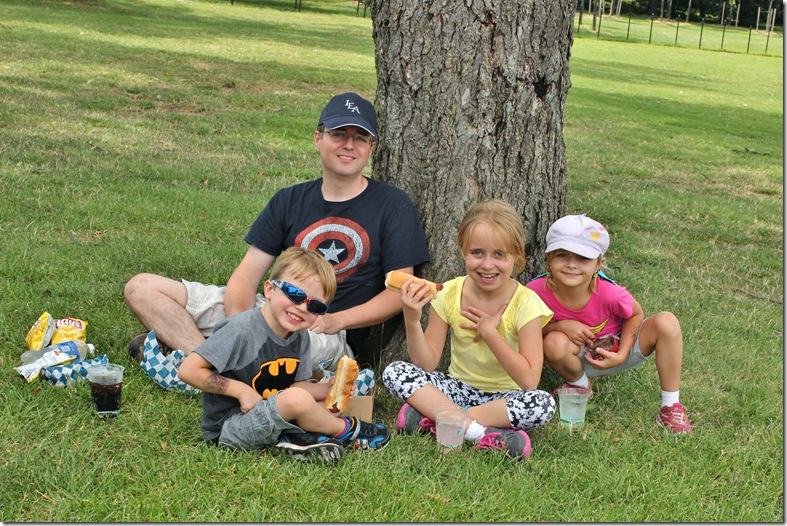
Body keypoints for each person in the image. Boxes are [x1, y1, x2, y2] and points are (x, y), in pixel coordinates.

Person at [124, 91, 430, 390]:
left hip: (321, 328)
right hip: (270, 307)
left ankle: (204, 365)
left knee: (286, 340)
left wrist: (337, 320)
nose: (349, 145)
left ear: (371, 147)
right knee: (142, 288)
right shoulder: (289, 199)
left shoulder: (392, 205)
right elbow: (246, 276)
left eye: (360, 138)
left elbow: (398, 293)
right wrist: (242, 325)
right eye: (339, 134)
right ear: (318, 138)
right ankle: (205, 366)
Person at [177, 247, 391, 461]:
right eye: (295, 294)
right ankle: (345, 430)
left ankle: (298, 440)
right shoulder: (241, 329)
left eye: (315, 305)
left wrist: (326, 388)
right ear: (269, 290)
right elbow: (188, 370)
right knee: (298, 401)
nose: (302, 308)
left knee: (326, 406)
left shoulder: (300, 336)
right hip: (232, 427)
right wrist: (241, 391)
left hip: (274, 411)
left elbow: (295, 386)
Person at [382, 199, 556, 460]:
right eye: (477, 253)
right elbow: (426, 363)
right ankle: (478, 432)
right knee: (395, 372)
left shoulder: (527, 303)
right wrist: (412, 318)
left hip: (504, 398)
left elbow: (529, 381)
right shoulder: (448, 293)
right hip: (456, 389)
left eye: (499, 254)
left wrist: (490, 333)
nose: (487, 264)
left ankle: (434, 417)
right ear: (462, 250)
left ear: (517, 255)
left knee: (542, 404)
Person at [525, 214, 692, 434]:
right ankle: (580, 385)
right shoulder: (534, 291)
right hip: (572, 357)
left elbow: (635, 314)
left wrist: (622, 354)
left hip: (615, 351)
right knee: (554, 341)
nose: (571, 265)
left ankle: (671, 406)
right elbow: (522, 328)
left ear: (598, 263)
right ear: (549, 258)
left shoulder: (610, 292)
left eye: (583, 258)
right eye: (562, 255)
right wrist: (559, 326)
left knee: (667, 322)